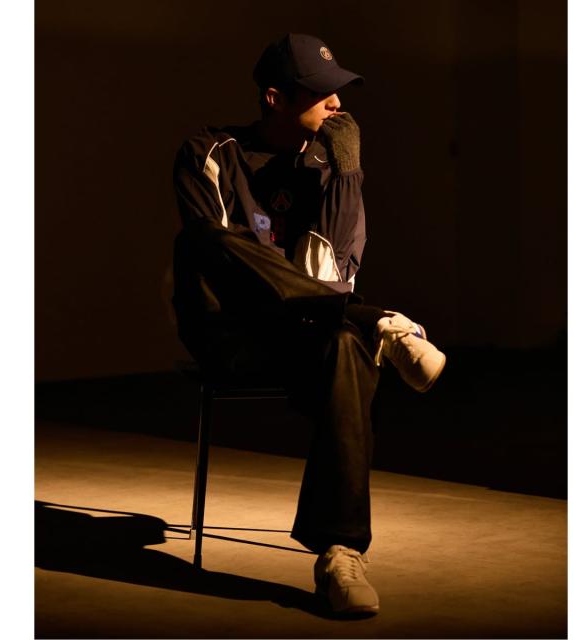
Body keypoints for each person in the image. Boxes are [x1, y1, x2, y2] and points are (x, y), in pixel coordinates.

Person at [172, 33, 446, 617]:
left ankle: (340, 552)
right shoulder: (209, 153)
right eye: (321, 94)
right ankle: (380, 323)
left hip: (304, 333)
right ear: (274, 98)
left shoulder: (329, 166)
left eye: (339, 93)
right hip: (232, 335)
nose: (337, 105)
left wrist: (347, 175)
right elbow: (226, 273)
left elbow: (334, 276)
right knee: (205, 240)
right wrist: (346, 308)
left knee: (345, 344)